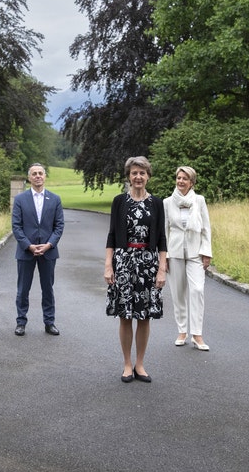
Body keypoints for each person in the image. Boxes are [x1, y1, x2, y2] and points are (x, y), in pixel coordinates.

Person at [104, 156, 167, 383]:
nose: (138, 177)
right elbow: (111, 235)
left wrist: (162, 269)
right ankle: (127, 364)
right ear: (129, 177)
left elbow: (161, 238)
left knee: (144, 316)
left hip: (148, 264)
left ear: (148, 176)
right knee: (125, 315)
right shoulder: (119, 201)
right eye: (134, 173)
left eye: (142, 173)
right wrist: (108, 265)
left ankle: (140, 364)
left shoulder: (157, 203)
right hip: (123, 261)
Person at [11, 163, 65, 336]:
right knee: (23, 289)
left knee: (48, 289)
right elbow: (16, 226)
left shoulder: (55, 199)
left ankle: (49, 323)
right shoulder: (20, 200)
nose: (37, 176)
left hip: (48, 252)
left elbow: (59, 226)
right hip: (26, 251)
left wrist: (49, 245)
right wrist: (29, 245)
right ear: (29, 177)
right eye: (34, 173)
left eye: (40, 173)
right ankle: (21, 322)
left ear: (45, 176)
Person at [163, 166, 212, 351]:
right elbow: (165, 230)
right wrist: (165, 255)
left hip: (195, 253)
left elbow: (206, 228)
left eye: (185, 178)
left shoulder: (199, 200)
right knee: (178, 292)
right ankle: (182, 331)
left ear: (191, 182)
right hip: (174, 252)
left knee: (197, 290)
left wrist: (206, 252)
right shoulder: (167, 202)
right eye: (178, 177)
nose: (180, 181)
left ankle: (197, 334)